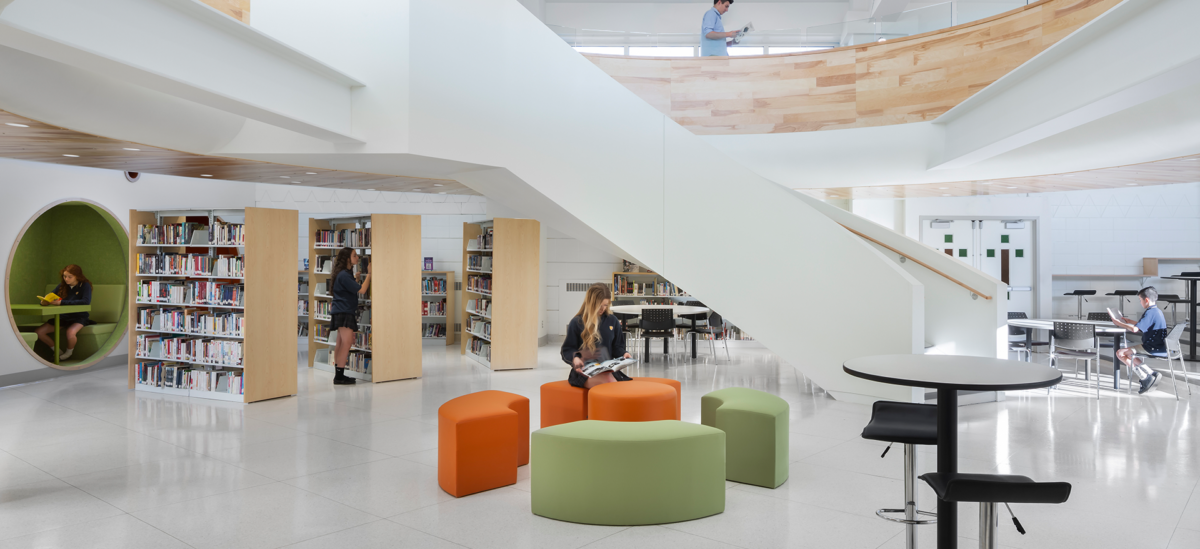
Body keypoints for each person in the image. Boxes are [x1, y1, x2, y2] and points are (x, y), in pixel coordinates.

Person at [561, 283, 633, 389]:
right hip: (585, 371)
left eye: (605, 305)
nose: (602, 309)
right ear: (591, 303)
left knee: (613, 384)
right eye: (599, 305)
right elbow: (567, 349)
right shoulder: (577, 322)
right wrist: (575, 358)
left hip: (607, 369)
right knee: (609, 385)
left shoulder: (612, 321)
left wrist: (624, 353)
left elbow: (617, 347)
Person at [1109, 286, 1166, 394]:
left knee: (1120, 353)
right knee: (1130, 354)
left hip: (1151, 347)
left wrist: (1119, 323)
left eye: (1140, 300)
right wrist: (1129, 321)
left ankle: (1145, 378)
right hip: (1159, 345)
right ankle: (1152, 373)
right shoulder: (1157, 311)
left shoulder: (1149, 312)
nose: (1140, 302)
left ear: (1147, 300)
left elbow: (1135, 330)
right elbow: (1145, 325)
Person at [329, 247, 371, 385]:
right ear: (348, 259)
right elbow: (363, 290)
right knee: (346, 343)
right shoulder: (344, 275)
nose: (357, 257)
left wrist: (356, 279)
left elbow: (351, 289)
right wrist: (370, 274)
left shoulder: (344, 274)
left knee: (340, 343)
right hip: (344, 311)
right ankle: (339, 376)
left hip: (340, 310)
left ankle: (338, 374)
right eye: (354, 255)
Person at [35, 264, 94, 361]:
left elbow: (86, 301)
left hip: (79, 316)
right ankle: (57, 351)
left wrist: (62, 302)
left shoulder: (85, 285)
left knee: (70, 332)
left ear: (77, 276)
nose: (66, 279)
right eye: (64, 276)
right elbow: (50, 296)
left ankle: (68, 354)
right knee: (39, 332)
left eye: (69, 277)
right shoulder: (62, 285)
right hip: (63, 317)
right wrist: (44, 302)